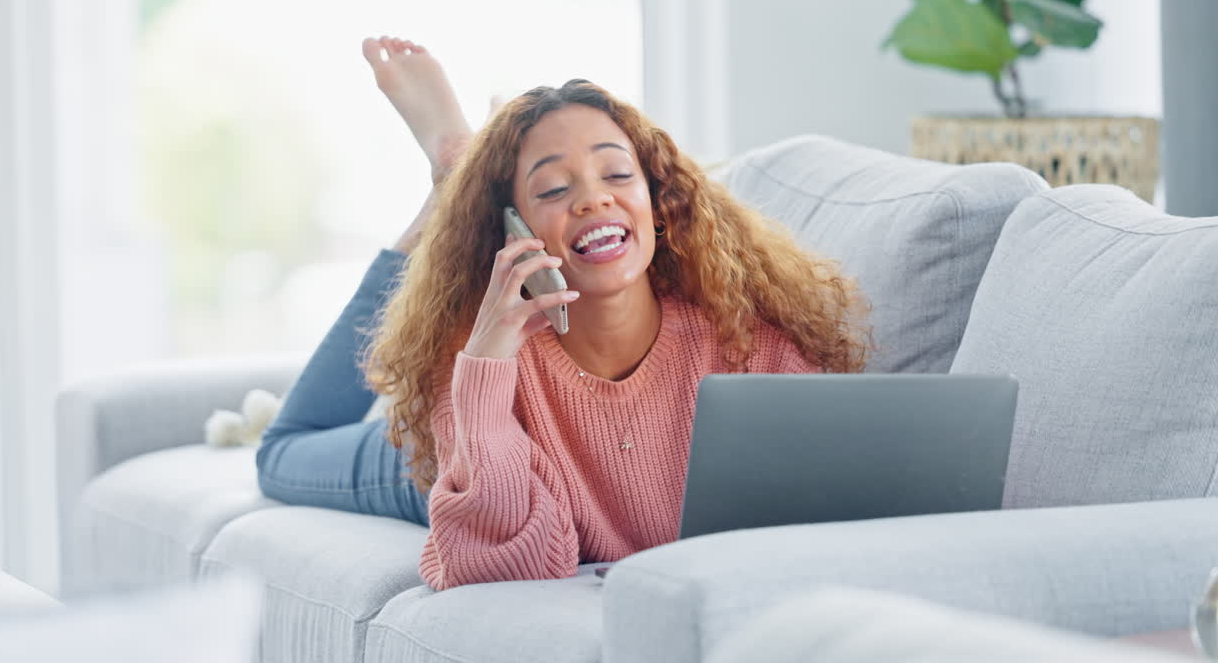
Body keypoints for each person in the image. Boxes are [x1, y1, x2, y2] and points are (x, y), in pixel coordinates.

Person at [257, 36, 871, 592]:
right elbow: (498, 567)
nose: (593, 197)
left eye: (617, 173)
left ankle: (457, 173)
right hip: (466, 461)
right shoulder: (479, 360)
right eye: (553, 189)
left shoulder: (746, 344)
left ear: (658, 204)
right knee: (281, 453)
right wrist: (488, 363)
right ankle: (453, 182)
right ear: (511, 228)